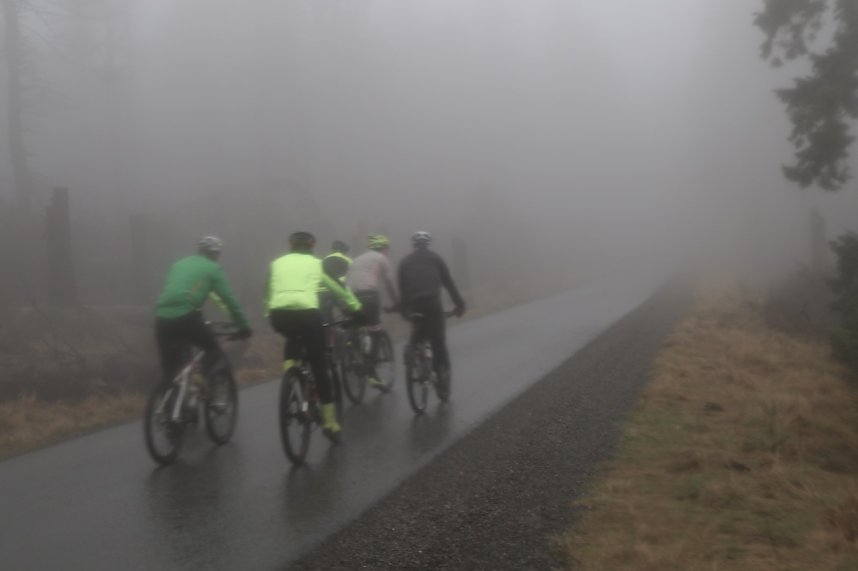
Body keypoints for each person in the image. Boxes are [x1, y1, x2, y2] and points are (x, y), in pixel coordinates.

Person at [266, 231, 361, 441]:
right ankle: (329, 422)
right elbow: (337, 287)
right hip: (308, 314)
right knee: (319, 366)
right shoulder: (316, 263)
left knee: (292, 338)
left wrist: (269, 315)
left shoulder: (277, 263)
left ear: (290, 245)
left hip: (279, 314)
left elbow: (269, 290)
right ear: (312, 245)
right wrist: (356, 308)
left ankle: (291, 373)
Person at [154, 236, 252, 385]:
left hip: (162, 319)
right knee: (212, 350)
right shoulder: (212, 268)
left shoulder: (178, 265)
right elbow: (229, 299)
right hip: (187, 317)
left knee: (170, 372)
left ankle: (165, 403)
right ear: (215, 254)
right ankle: (202, 381)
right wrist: (244, 326)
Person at [397, 231, 466, 395]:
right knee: (438, 341)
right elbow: (448, 283)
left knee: (418, 331)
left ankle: (411, 347)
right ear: (428, 244)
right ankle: (438, 376)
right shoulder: (436, 259)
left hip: (414, 304)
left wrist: (404, 311)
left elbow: (403, 290)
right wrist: (460, 304)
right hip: (432, 303)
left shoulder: (404, 262)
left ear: (414, 245)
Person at [345, 234, 399, 388]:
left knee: (356, 323)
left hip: (349, 297)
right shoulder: (381, 258)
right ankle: (371, 373)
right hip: (368, 296)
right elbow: (388, 283)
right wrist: (396, 304)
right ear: (384, 248)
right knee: (375, 330)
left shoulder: (357, 259)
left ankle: (351, 348)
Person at [318, 240, 353, 326]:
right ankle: (348, 334)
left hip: (321, 292)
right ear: (345, 251)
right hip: (338, 292)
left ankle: (330, 335)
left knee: (326, 322)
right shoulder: (348, 260)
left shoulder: (324, 260)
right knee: (350, 315)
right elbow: (353, 278)